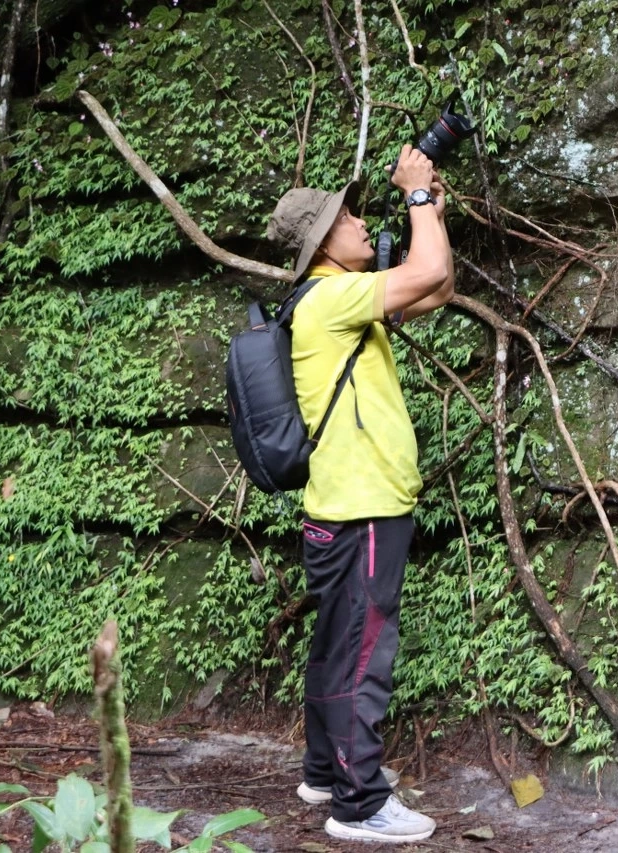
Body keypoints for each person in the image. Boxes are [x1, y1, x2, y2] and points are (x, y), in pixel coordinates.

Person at [264, 144, 454, 843]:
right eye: (346, 216)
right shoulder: (333, 299)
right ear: (322, 239)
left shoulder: (329, 302)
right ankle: (359, 803)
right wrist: (412, 197)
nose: (357, 222)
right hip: (363, 508)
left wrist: (429, 206)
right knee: (364, 652)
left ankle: (327, 770)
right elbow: (426, 269)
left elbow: (435, 288)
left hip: (345, 507)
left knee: (336, 646)